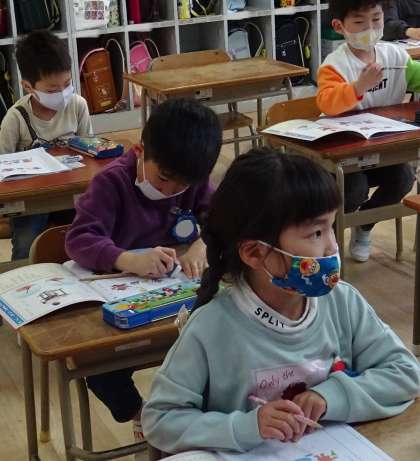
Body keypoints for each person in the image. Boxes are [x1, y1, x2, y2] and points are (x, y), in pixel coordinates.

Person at [141, 148, 420, 454]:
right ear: (255, 253)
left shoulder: (342, 303)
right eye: (316, 233)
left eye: (331, 227)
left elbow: (406, 373)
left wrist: (331, 397)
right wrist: (248, 426)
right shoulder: (212, 327)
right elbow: (160, 419)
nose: (332, 247)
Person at [65, 98, 222, 448]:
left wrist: (203, 244)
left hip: (172, 305)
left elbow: (223, 217)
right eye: (163, 178)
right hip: (117, 306)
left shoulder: (191, 181)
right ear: (140, 150)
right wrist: (126, 259)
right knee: (99, 364)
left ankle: (190, 415)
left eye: (180, 187)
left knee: (217, 341)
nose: (169, 191)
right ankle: (142, 415)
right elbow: (78, 240)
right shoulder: (111, 183)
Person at [317, 0, 418, 262]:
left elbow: (416, 77)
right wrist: (358, 87)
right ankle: (329, 236)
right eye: (360, 22)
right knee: (354, 189)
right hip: (343, 155)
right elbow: (326, 102)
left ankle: (364, 225)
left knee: (404, 178)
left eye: (376, 19)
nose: (370, 28)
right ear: (339, 26)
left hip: (381, 148)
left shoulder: (395, 56)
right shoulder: (335, 65)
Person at [0, 31, 92, 260]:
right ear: (28, 86)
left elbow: (91, 151)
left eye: (67, 84)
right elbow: (2, 164)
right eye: (52, 90)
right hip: (31, 200)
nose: (62, 94)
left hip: (71, 192)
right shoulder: (16, 118)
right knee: (26, 245)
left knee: (86, 234)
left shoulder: (77, 106)